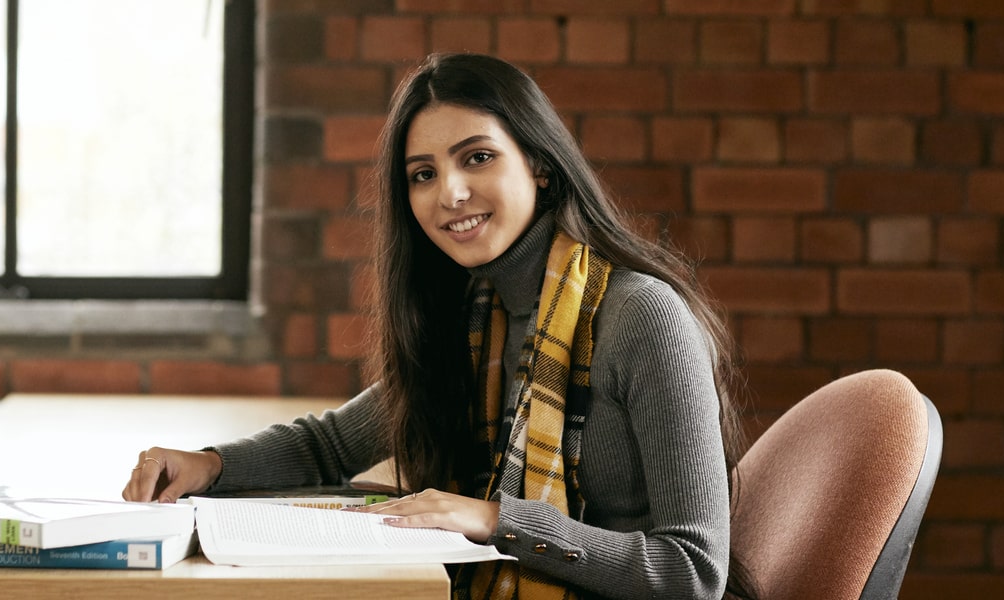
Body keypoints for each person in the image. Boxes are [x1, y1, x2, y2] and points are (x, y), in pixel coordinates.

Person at [124, 52, 751, 600]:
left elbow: (692, 574)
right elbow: (333, 445)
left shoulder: (643, 315)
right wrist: (209, 464)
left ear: (539, 164)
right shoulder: (479, 315)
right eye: (423, 174)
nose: (449, 193)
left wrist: (497, 520)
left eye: (476, 158)